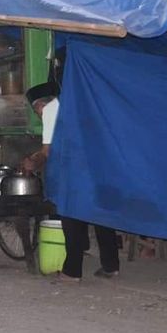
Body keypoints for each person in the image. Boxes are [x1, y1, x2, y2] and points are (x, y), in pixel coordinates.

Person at [22, 82, 120, 282]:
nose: (38, 115)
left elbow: (47, 152)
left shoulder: (51, 110)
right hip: (99, 166)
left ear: (41, 104)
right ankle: (111, 266)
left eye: (36, 110)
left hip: (75, 171)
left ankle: (72, 271)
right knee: (101, 215)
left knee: (70, 216)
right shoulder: (80, 102)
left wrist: (32, 162)